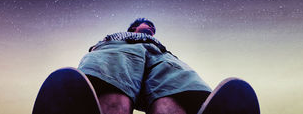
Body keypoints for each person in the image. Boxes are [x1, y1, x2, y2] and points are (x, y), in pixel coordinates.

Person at [77, 18, 212, 114]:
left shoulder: (157, 42)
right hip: (122, 47)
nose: (152, 28)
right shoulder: (120, 35)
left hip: (160, 55)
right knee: (115, 84)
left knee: (172, 88)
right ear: (134, 28)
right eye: (147, 24)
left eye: (153, 27)